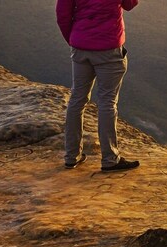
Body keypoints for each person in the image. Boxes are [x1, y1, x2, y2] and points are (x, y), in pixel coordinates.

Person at [57, 0, 141, 172]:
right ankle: (110, 159)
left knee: (77, 99)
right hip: (108, 47)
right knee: (107, 102)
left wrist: (76, 38)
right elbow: (130, 4)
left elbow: (62, 15)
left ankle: (71, 156)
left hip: (80, 46)